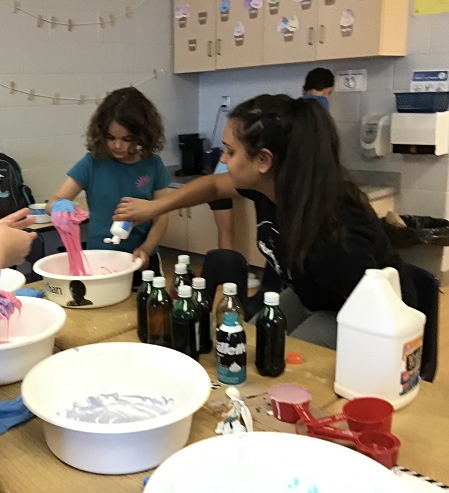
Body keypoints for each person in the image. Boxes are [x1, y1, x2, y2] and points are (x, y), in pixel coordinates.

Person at [113, 94, 416, 349]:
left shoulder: (335, 234)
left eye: (230, 152)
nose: (223, 160)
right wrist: (156, 207)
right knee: (251, 342)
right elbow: (215, 186)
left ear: (263, 161)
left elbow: (380, 315)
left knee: (280, 358)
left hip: (367, 317)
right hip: (314, 297)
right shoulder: (270, 187)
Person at [46, 87, 171, 283]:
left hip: (143, 260)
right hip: (100, 259)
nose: (117, 146)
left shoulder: (152, 164)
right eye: (110, 138)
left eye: (126, 139)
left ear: (142, 135)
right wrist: (60, 207)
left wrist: (146, 249)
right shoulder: (92, 163)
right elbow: (53, 201)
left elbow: (162, 216)